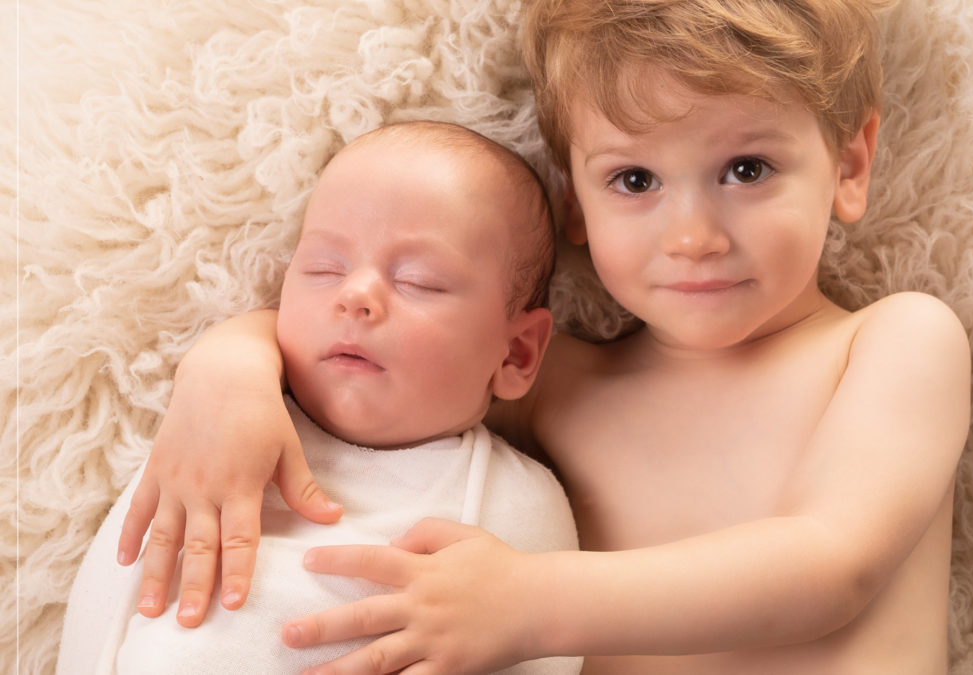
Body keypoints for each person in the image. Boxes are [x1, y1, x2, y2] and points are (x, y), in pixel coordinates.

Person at [112, 0, 973, 673]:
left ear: (849, 166)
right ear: (573, 203)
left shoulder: (894, 342)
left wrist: (528, 601)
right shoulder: (555, 382)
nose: (693, 234)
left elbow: (831, 564)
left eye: (746, 169)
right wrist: (225, 370)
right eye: (634, 179)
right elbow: (371, 344)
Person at [57, 121, 582, 675]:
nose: (355, 295)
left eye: (420, 280)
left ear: (516, 354)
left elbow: (545, 643)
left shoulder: (515, 501)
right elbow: (117, 584)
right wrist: (225, 365)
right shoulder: (225, 426)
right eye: (324, 269)